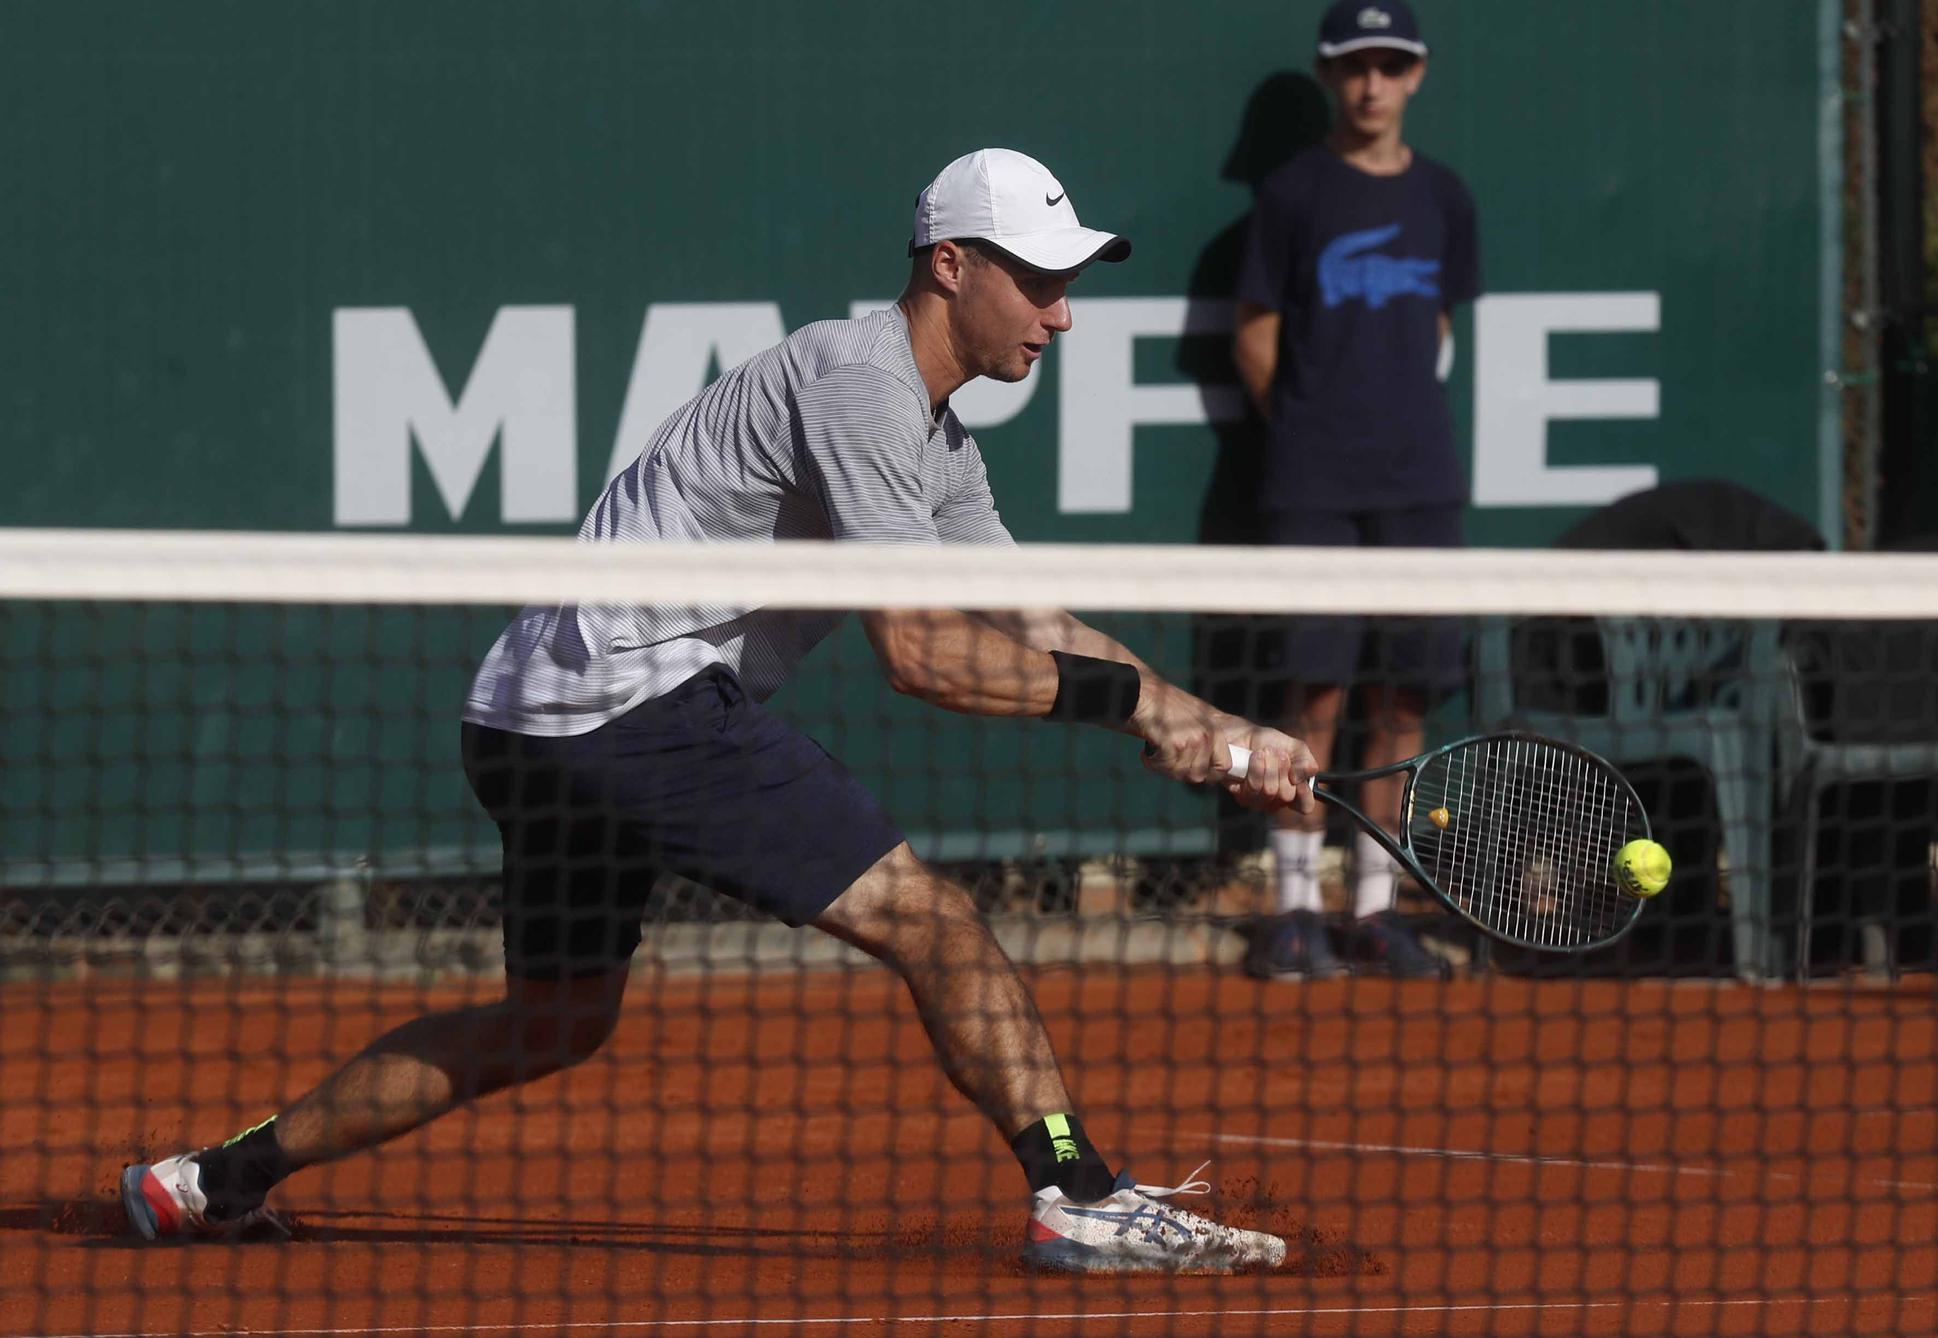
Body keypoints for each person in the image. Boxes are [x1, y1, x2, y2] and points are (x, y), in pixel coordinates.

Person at [120, 149, 1319, 1276]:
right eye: (1039, 280)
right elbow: (918, 655)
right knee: (933, 918)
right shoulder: (861, 381)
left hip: (527, 717)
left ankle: (216, 1177)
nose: (1060, 314)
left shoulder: (934, 443)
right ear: (949, 264)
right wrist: (1133, 715)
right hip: (637, 705)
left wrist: (1219, 731)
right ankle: (1078, 1194)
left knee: (554, 1022)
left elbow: (1033, 622)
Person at [1232, 0, 1478, 979]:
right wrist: (1307, 431)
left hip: (1420, 481)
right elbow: (1255, 334)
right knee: (1316, 691)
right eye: (1353, 67)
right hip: (1312, 483)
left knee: (1404, 693)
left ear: (1413, 75)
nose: (1370, 84)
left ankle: (1373, 910)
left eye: (1388, 65)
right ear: (1331, 77)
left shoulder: (1445, 198)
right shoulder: (1290, 195)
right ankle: (1295, 908)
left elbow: (1440, 330)